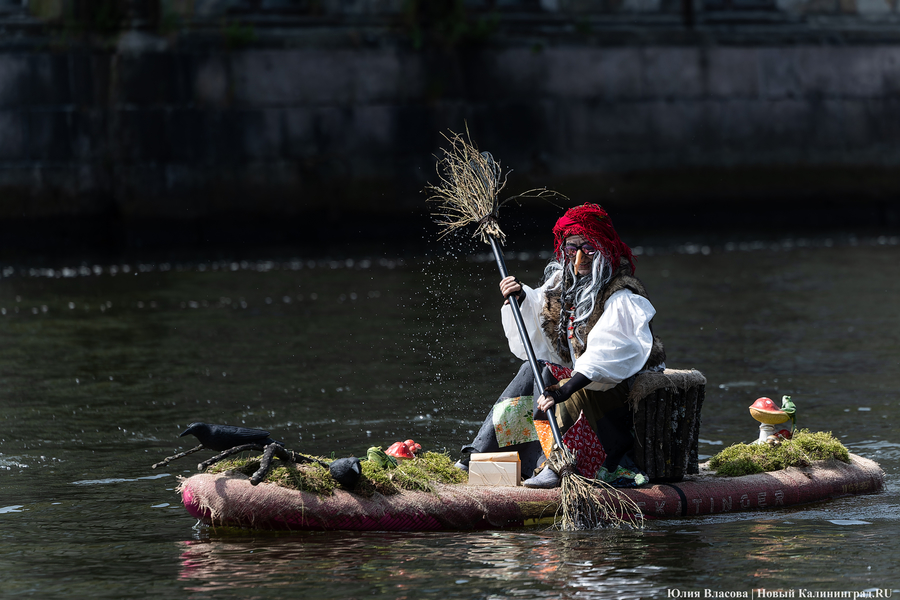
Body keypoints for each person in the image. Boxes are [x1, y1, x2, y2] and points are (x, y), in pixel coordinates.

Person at [457, 203, 666, 488]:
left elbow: (609, 352)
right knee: (532, 370)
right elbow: (538, 320)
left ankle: (559, 464)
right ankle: (482, 454)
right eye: (572, 248)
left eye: (588, 248)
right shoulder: (562, 284)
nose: (579, 257)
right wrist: (519, 298)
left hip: (613, 401)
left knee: (549, 376)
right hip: (573, 388)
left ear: (604, 249)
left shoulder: (621, 294)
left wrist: (564, 388)